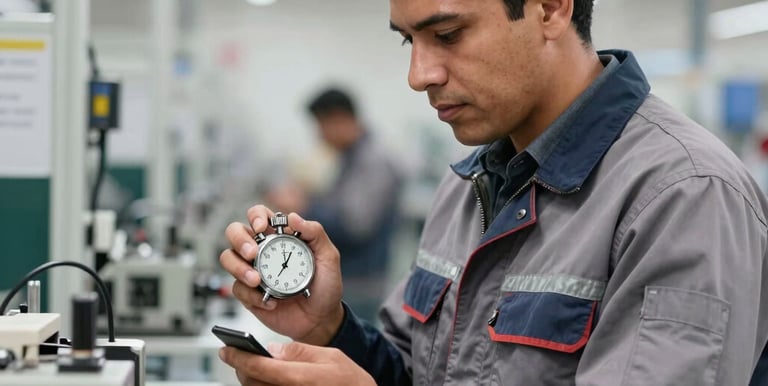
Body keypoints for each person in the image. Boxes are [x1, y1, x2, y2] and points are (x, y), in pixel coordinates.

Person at [217, 0, 768, 384]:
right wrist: (331, 330)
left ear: (550, 8)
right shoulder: (470, 186)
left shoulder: (684, 196)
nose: (418, 74)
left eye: (448, 35)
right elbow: (417, 371)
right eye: (410, 40)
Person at [265, 87, 403, 323]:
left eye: (321, 126)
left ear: (339, 119)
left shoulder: (373, 161)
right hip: (349, 278)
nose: (319, 136)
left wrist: (303, 206)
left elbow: (355, 225)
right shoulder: (350, 157)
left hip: (361, 284)